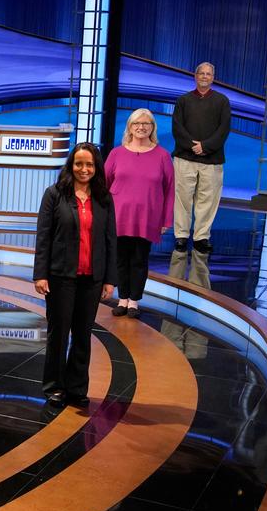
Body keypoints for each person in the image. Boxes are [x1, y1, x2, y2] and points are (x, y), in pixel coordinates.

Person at [33, 143, 117, 410]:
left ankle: (77, 387)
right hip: (60, 276)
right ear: (71, 165)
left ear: (96, 168)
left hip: (92, 278)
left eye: (89, 165)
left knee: (82, 334)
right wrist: (40, 275)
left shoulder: (104, 197)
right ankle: (54, 387)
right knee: (58, 334)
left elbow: (110, 240)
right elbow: (43, 237)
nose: (84, 169)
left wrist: (109, 279)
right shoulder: (54, 194)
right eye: (79, 164)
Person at [104, 108, 174, 317]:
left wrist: (166, 219)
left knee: (139, 259)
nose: (141, 127)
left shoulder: (162, 155)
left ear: (152, 128)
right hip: (119, 216)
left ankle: (134, 302)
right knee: (120, 258)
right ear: (130, 127)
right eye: (137, 123)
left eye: (146, 124)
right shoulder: (116, 153)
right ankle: (122, 299)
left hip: (148, 217)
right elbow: (105, 183)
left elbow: (170, 189)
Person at [170, 61, 230, 253]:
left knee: (208, 200)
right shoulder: (183, 100)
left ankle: (201, 237)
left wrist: (205, 146)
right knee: (182, 199)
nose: (204, 76)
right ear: (195, 76)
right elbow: (177, 128)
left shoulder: (222, 101)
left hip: (212, 160)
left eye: (208, 74)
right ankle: (181, 236)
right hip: (184, 158)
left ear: (213, 78)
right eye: (201, 73)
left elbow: (224, 129)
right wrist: (193, 146)